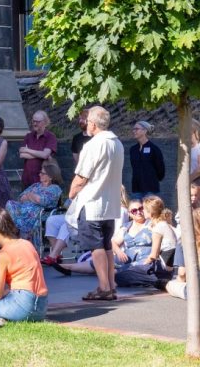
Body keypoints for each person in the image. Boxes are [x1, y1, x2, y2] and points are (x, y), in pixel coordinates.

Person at [67, 105, 124, 301]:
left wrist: (72, 193)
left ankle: (104, 287)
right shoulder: (117, 143)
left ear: (92, 123)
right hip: (110, 203)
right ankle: (110, 284)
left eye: (87, 121)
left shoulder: (94, 144)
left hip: (92, 202)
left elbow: (81, 176)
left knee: (97, 246)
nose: (85, 124)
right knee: (106, 245)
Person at [50, 198, 149, 276]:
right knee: (100, 262)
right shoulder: (127, 227)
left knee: (116, 268)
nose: (138, 212)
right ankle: (68, 267)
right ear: (130, 214)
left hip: (143, 258)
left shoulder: (150, 224)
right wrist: (119, 252)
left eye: (140, 209)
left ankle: (110, 274)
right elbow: (114, 242)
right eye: (134, 211)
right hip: (126, 257)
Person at [6, 163, 63, 250]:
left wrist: (29, 196)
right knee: (9, 203)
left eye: (43, 173)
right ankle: (21, 233)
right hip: (24, 210)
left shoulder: (54, 188)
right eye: (40, 172)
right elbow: (21, 197)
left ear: (50, 177)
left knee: (27, 212)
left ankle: (22, 234)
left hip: (41, 213)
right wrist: (32, 197)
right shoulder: (36, 185)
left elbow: (43, 201)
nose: (40, 174)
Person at [19, 110, 57, 189]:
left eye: (38, 122)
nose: (35, 124)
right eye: (33, 121)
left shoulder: (50, 137)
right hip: (27, 179)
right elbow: (22, 154)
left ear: (45, 122)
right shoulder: (28, 136)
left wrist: (27, 150)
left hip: (43, 180)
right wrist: (41, 154)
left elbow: (45, 154)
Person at [129, 121, 165, 198]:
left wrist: (152, 178)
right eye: (133, 129)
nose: (134, 131)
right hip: (136, 189)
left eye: (136, 129)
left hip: (151, 189)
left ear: (145, 131)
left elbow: (161, 169)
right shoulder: (133, 149)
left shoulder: (154, 149)